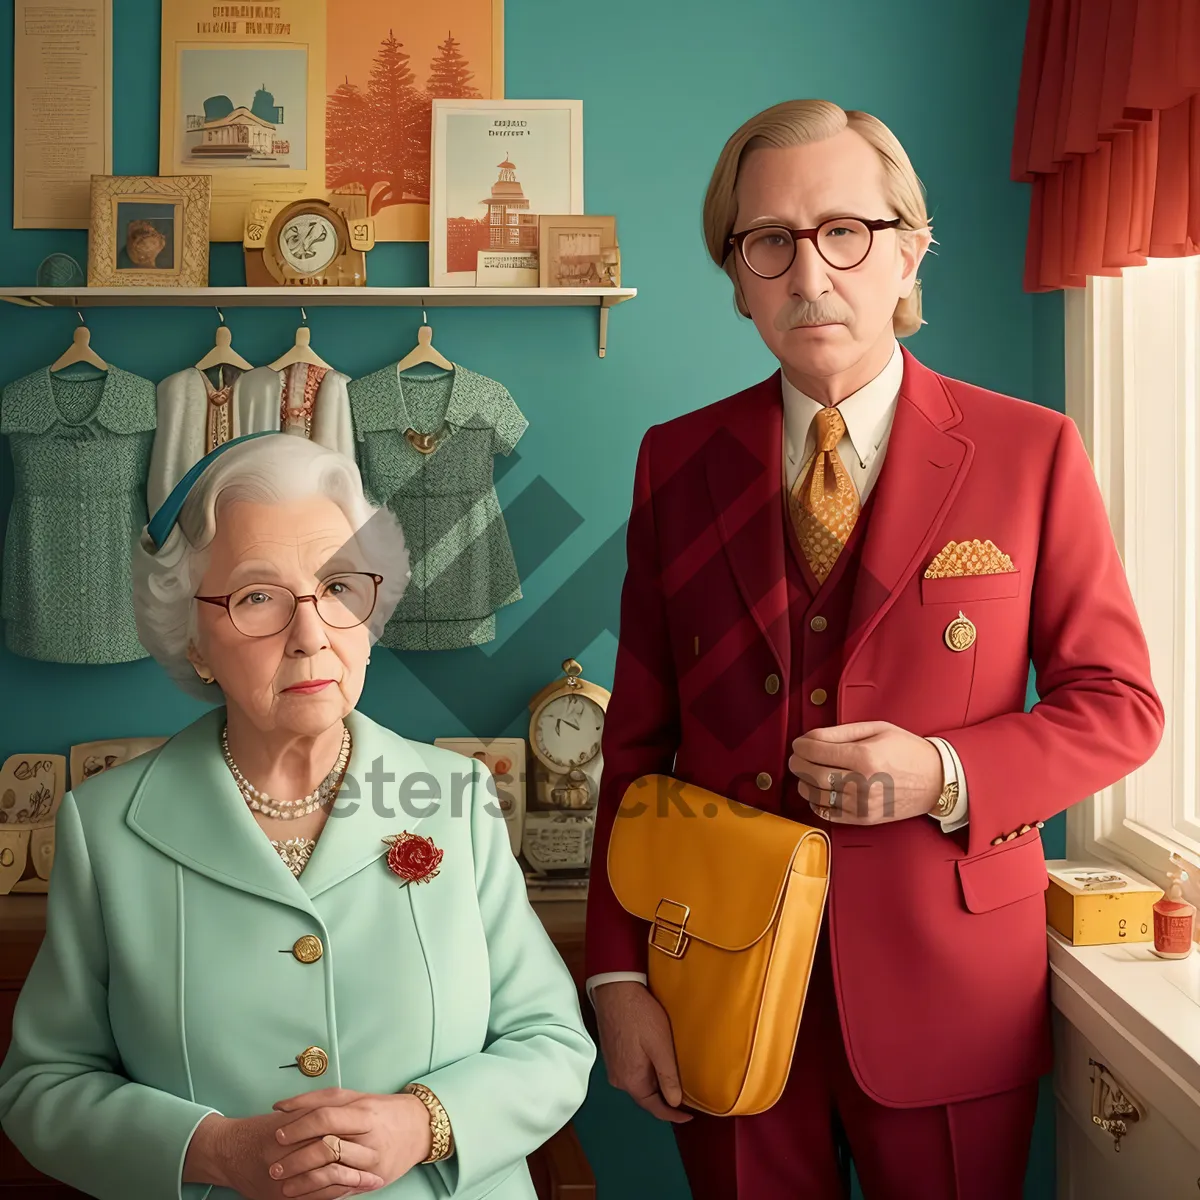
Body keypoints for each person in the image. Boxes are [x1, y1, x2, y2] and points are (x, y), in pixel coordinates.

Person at [584, 99, 1163, 1199]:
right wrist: (617, 973)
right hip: (717, 984)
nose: (811, 275)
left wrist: (945, 774)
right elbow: (635, 747)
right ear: (740, 275)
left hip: (952, 998)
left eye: (844, 231)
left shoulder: (1032, 451)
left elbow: (1120, 704)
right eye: (770, 242)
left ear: (909, 247)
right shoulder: (676, 461)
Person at [0, 431, 596, 1200]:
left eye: (338, 588)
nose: (311, 634)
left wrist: (425, 1123)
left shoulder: (459, 798)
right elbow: (42, 1088)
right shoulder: (104, 826)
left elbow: (551, 1043)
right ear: (194, 636)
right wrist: (210, 1151)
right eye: (257, 598)